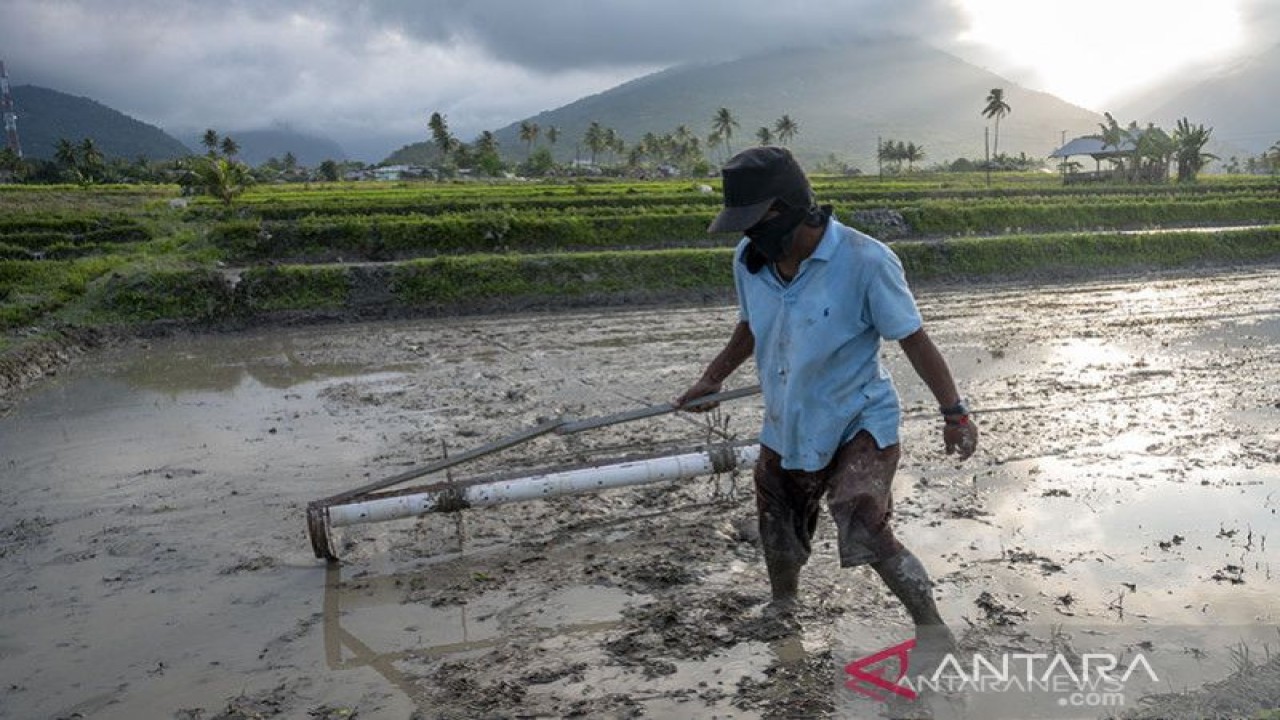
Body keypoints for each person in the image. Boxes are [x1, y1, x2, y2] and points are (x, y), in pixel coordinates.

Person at [675, 146, 978, 641]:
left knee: (861, 518)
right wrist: (713, 377)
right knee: (778, 518)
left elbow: (915, 340)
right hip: (788, 419)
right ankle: (784, 607)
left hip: (859, 418)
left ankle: (932, 629)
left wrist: (955, 414)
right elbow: (750, 326)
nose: (749, 237)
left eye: (755, 224)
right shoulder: (750, 262)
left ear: (787, 211)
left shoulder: (865, 261)